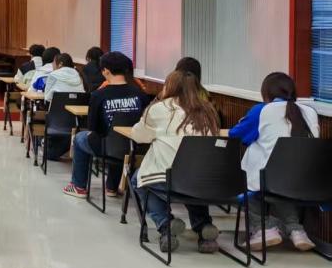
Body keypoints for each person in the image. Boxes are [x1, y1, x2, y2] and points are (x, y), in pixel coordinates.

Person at [130, 70, 222, 253]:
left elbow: (138, 136)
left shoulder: (160, 109)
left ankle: (166, 225)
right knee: (192, 184)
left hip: (170, 179)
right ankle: (204, 227)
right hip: (207, 180)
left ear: (169, 87)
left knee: (138, 180)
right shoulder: (208, 110)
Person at [231, 71, 320, 251]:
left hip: (268, 180)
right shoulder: (310, 112)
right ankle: (296, 230)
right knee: (281, 183)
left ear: (266, 93)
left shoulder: (262, 110)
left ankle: (263, 229)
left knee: (249, 183)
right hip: (306, 182)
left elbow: (236, 135)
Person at [64, 51, 148, 197]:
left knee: (80, 138)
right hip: (134, 147)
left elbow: (93, 127)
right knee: (119, 142)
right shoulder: (140, 94)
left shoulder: (98, 95)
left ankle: (78, 186)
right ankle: (111, 187)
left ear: (106, 71)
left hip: (105, 147)